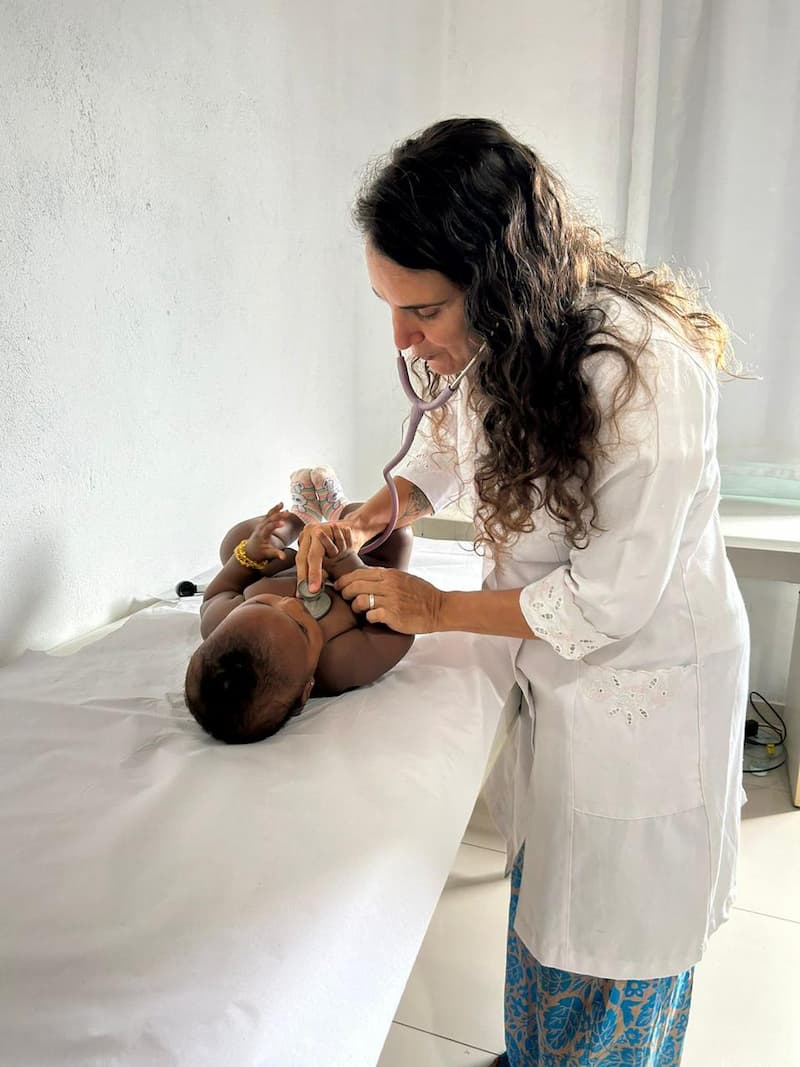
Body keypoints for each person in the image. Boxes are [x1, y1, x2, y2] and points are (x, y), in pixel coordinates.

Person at [295, 118, 749, 1065]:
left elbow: (607, 601)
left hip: (650, 683)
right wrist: (380, 509)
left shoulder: (646, 376)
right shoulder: (505, 339)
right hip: (561, 679)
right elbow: (456, 438)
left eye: (422, 309)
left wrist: (437, 608)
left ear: (498, 280)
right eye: (389, 306)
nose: (402, 336)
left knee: (621, 933)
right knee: (547, 902)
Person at [184, 468, 414, 744]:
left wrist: (251, 554)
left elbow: (219, 591)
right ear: (307, 689)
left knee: (237, 539)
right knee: (397, 532)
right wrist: (346, 564)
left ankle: (300, 517)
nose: (291, 601)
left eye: (262, 603)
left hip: (285, 563)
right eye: (301, 626)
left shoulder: (221, 622)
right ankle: (339, 511)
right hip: (362, 567)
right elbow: (398, 633)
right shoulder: (339, 664)